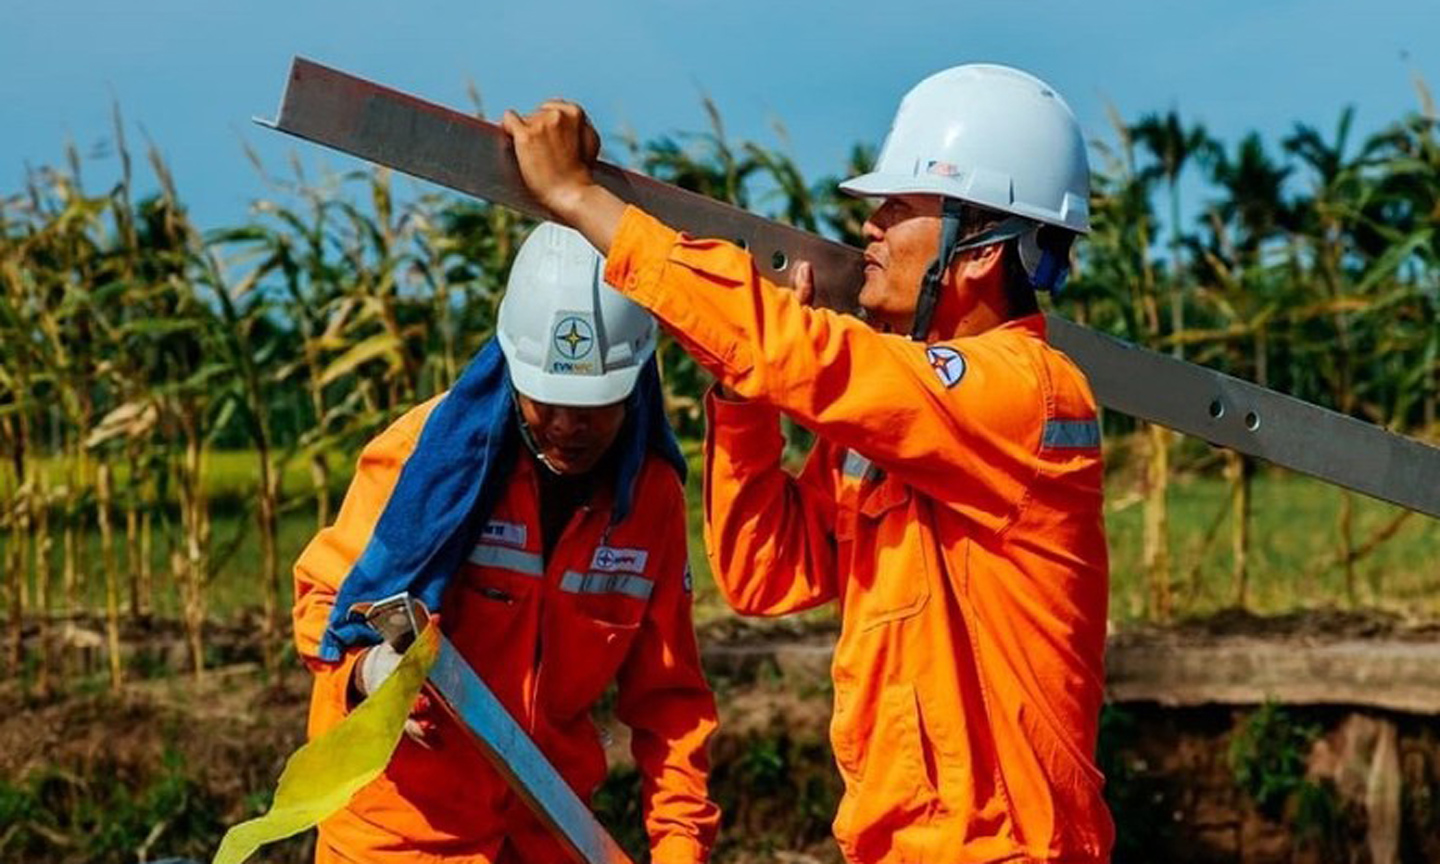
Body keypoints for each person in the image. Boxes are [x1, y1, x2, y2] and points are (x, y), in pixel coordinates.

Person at [501, 64, 1114, 862]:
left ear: (978, 253)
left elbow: (807, 358)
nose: (871, 228)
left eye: (898, 209)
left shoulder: (1026, 394)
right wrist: (746, 403)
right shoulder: (914, 428)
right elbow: (765, 571)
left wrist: (580, 199)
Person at [292, 222, 720, 864]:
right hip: (400, 838)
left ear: (637, 385)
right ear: (513, 374)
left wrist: (680, 848)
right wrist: (368, 671)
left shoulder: (649, 501)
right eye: (549, 401)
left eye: (595, 405)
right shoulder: (423, 460)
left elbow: (671, 702)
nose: (570, 426)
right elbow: (324, 605)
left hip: (547, 830)